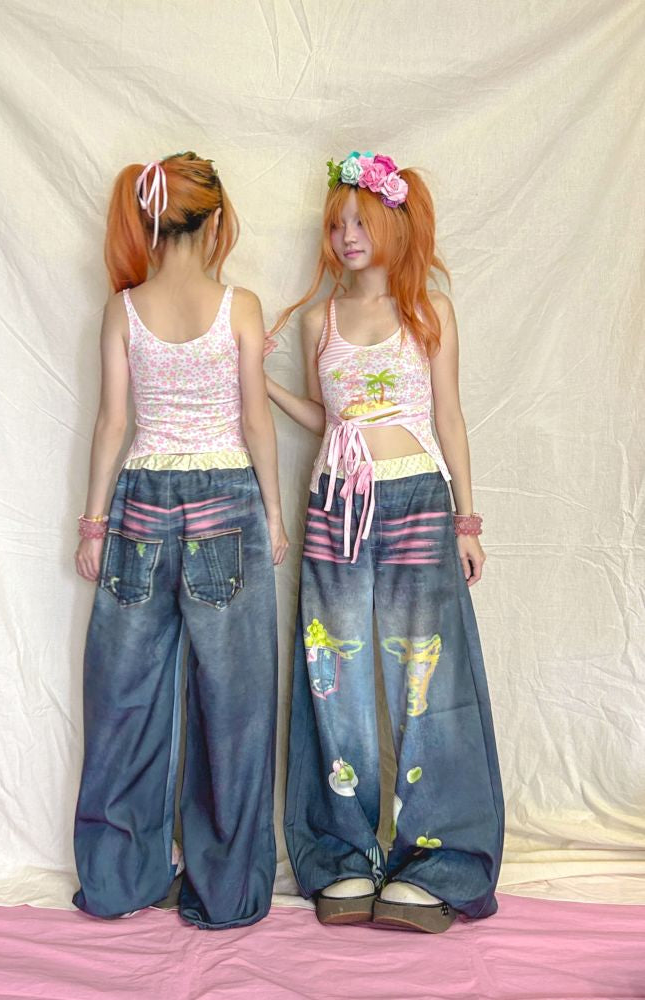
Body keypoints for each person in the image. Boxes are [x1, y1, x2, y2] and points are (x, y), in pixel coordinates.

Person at [265, 150, 504, 932]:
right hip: (335, 503)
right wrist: (263, 386)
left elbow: (450, 417)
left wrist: (466, 520)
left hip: (416, 503)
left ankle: (438, 859)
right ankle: (340, 854)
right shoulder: (318, 321)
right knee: (331, 674)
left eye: (360, 221)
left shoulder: (429, 311)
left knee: (425, 679)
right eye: (337, 224)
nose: (347, 236)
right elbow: (326, 419)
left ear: (394, 223)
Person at [72, 152, 288, 930]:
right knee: (233, 704)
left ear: (152, 219)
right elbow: (256, 420)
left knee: (124, 699)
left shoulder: (123, 309)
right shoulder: (241, 306)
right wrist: (274, 512)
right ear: (216, 219)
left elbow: (113, 423)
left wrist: (93, 523)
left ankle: (115, 881)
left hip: (140, 503)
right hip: (227, 500)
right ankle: (225, 891)